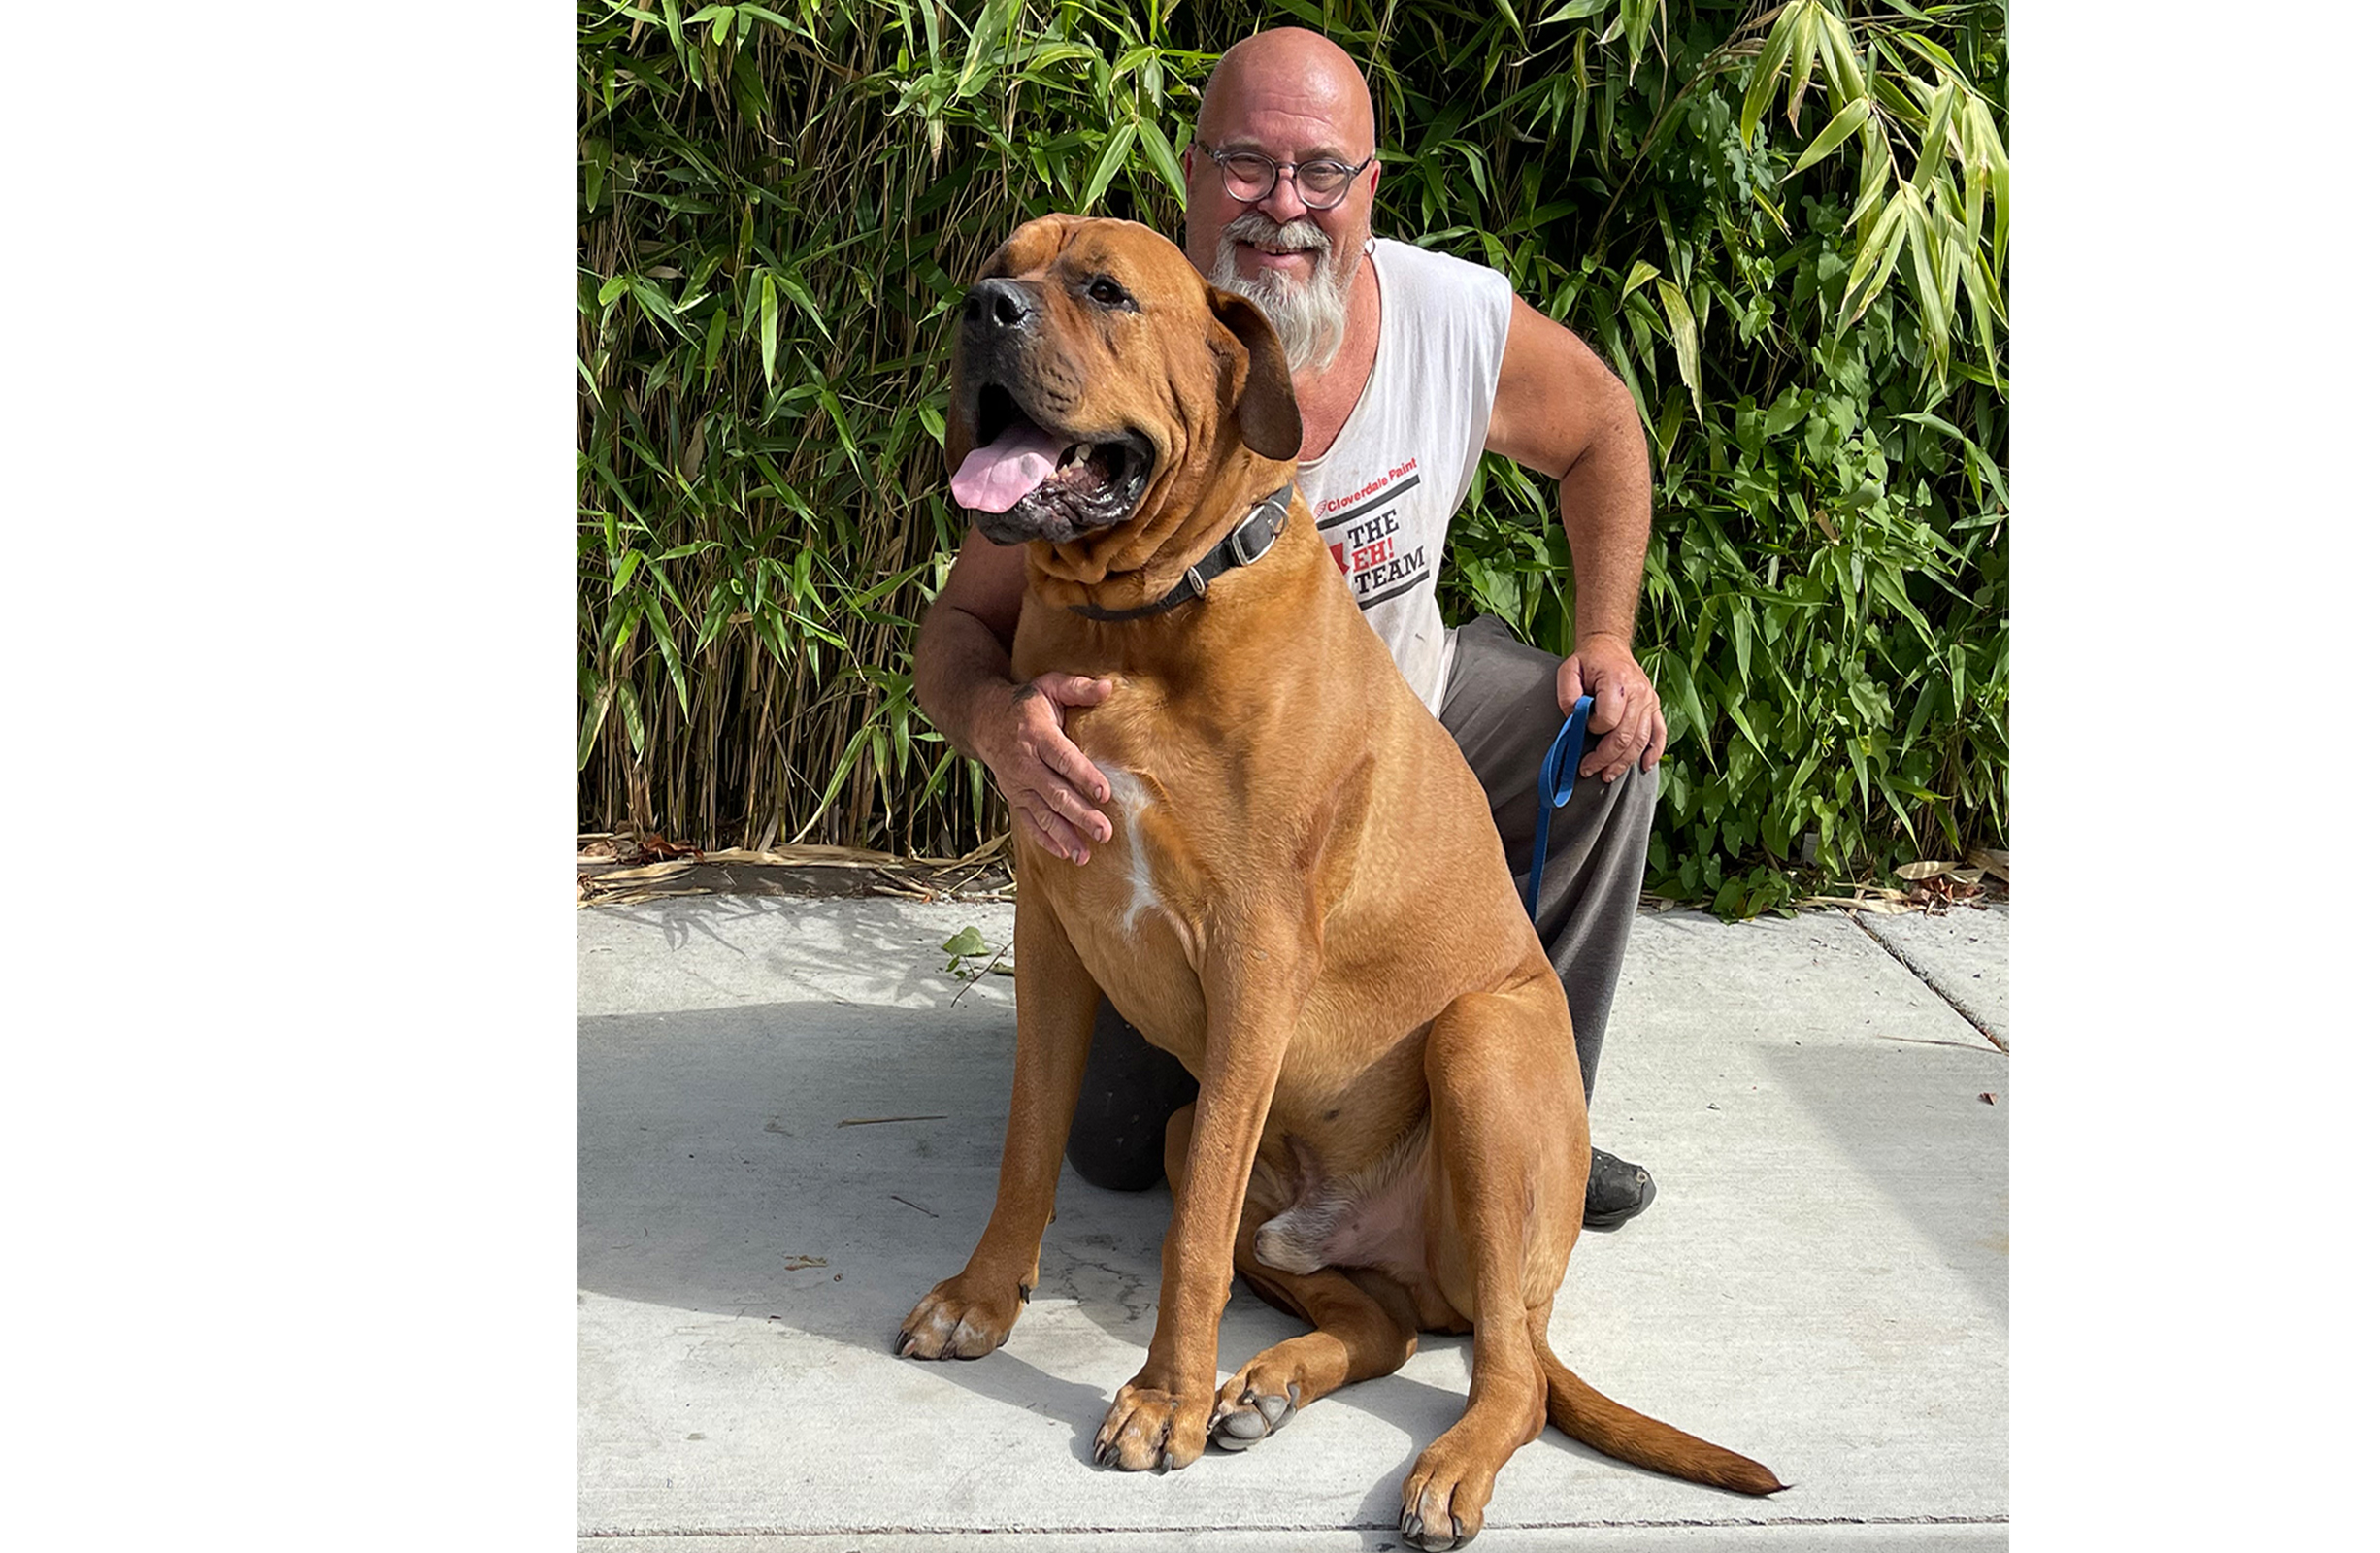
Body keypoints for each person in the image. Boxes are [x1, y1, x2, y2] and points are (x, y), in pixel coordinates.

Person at [914, 27, 1669, 1228]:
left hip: (1406, 717)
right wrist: (997, 720)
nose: (1283, 204)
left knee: (1607, 734)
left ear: (1370, 189)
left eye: (1321, 171)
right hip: (1192, 761)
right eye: (1247, 165)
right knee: (1118, 1148)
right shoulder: (1126, 344)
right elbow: (961, 622)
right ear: (1193, 175)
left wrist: (1609, 638)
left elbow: (1604, 430)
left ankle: (1529, 1134)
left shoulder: (1452, 318)